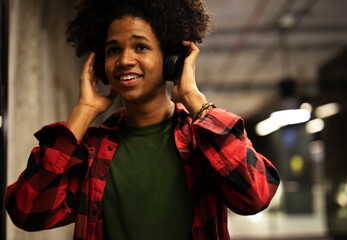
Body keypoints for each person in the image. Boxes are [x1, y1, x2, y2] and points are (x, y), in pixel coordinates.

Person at [5, 0, 280, 239]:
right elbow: (27, 211)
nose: (125, 60)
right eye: (113, 50)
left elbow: (256, 195)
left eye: (140, 47)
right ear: (101, 65)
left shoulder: (202, 140)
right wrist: (83, 112)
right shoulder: (91, 151)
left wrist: (194, 100)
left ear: (170, 59)